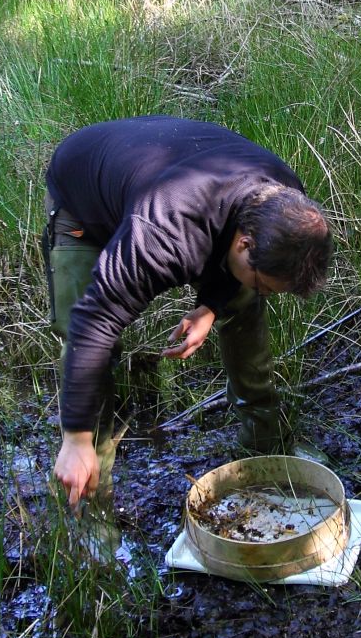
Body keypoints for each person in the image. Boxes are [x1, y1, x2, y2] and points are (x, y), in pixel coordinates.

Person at [43, 116, 334, 506]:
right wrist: (75, 436)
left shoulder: (285, 199)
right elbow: (94, 322)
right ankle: (89, 498)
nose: (266, 292)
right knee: (94, 347)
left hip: (164, 168)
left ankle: (267, 449)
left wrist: (212, 304)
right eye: (265, 282)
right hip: (84, 201)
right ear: (245, 244)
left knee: (243, 304)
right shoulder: (164, 234)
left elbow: (235, 241)